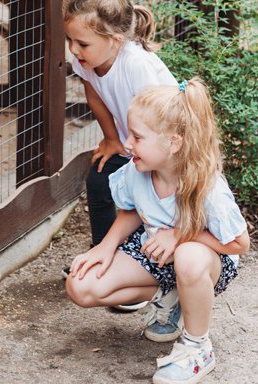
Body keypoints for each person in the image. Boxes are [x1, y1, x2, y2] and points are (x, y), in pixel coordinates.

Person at [66, 78, 250, 384]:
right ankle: (173, 296)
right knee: (81, 286)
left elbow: (239, 244)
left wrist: (179, 236)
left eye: (137, 137)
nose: (127, 144)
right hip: (156, 250)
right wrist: (105, 246)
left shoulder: (207, 187)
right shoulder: (138, 169)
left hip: (207, 260)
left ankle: (197, 347)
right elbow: (132, 210)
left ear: (173, 142)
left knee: (188, 257)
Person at [61, 0, 176, 315]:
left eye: (82, 43)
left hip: (161, 149)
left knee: (142, 201)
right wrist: (111, 139)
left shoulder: (136, 65)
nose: (73, 49)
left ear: (114, 41)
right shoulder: (86, 60)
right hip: (129, 142)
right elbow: (94, 93)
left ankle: (138, 270)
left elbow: (161, 119)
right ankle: (102, 256)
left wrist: (139, 153)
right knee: (99, 179)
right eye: (69, 40)